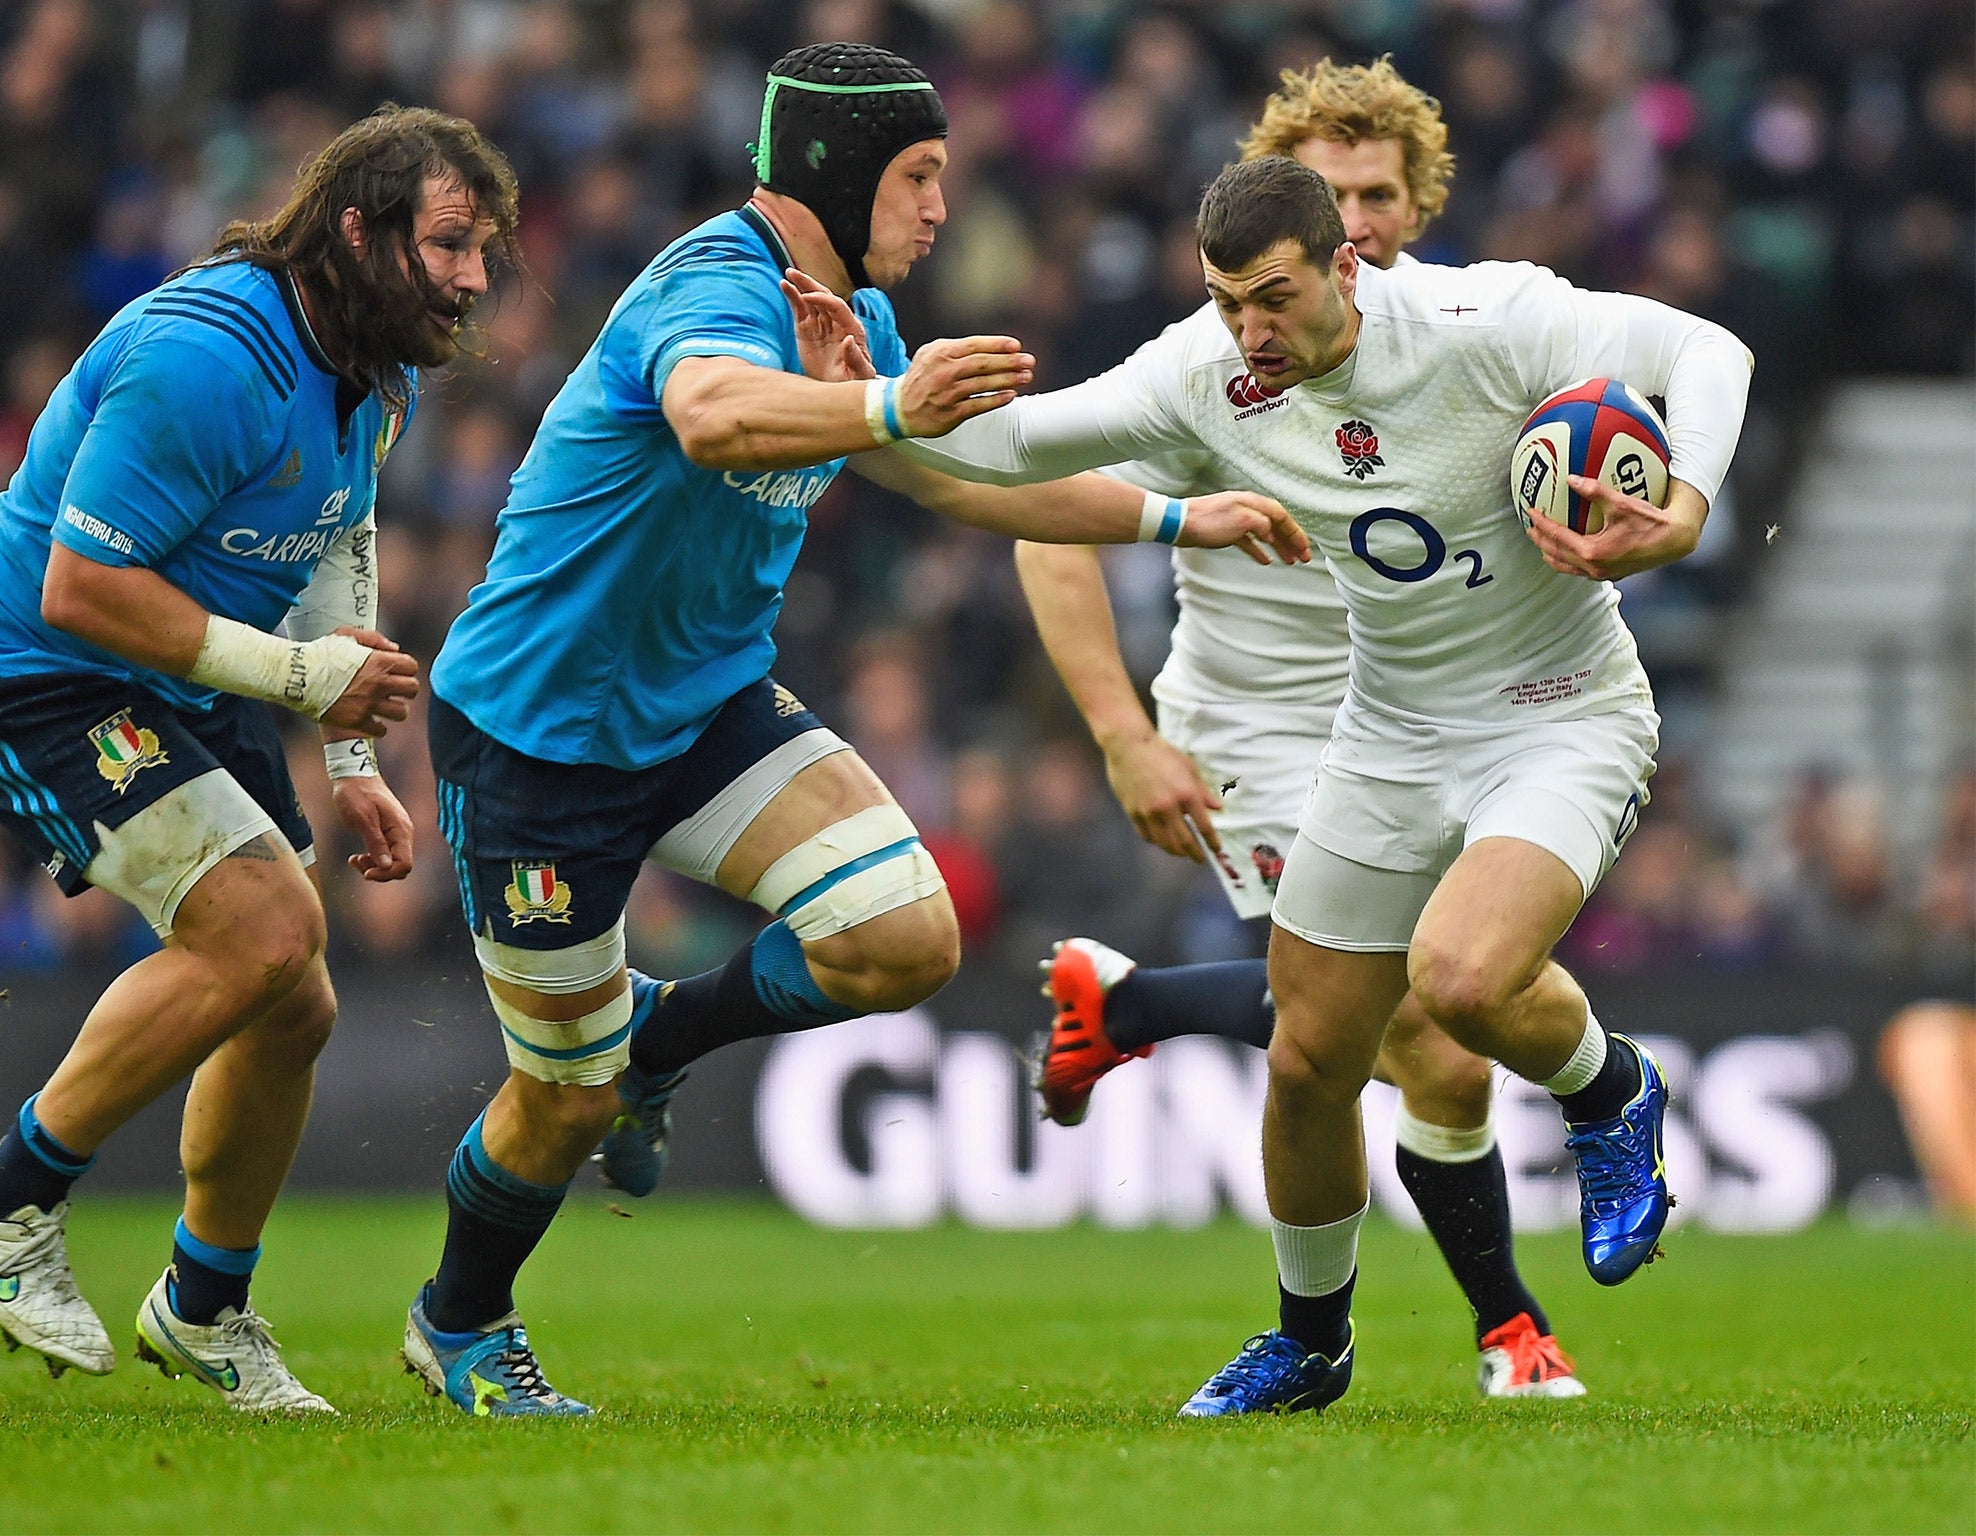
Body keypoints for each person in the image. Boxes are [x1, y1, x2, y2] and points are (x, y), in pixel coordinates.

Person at [400, 42, 1301, 1418]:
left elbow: (971, 484)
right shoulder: (712, 283)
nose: (942, 207)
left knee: (906, 936)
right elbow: (708, 417)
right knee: (560, 1099)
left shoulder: (859, 322)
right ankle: (458, 1321)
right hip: (539, 734)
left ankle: (659, 1042)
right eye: (921, 175)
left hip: (702, 707)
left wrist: (1183, 516)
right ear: (838, 170)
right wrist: (879, 401)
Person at [875, 153, 1754, 1414]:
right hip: (1385, 734)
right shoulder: (1206, 372)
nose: (1251, 330)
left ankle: (1610, 1093)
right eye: (1229, 299)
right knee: (1305, 1062)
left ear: (1348, 263)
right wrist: (858, 402)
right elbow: (1014, 454)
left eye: (1274, 297)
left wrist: (1680, 507)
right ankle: (1310, 1342)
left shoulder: (1482, 320)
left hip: (1557, 717)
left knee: (1457, 979)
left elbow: (1709, 352)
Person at [0, 105, 517, 1413]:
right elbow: (82, 589)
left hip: (189, 670)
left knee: (293, 996)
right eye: (451, 244)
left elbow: (334, 541)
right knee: (258, 935)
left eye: (484, 248)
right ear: (357, 234)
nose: (476, 277)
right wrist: (308, 681)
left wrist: (351, 755)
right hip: (36, 676)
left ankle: (203, 1303)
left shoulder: (375, 365)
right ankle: (5, 1197)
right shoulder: (207, 355)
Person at [1016, 58, 1585, 1399]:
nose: (1361, 218)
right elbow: (1051, 524)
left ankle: (1128, 1002)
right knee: (1415, 1034)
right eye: (1332, 194)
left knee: (1417, 1023)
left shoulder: (1459, 344)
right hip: (1258, 737)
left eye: (1378, 194)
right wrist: (1119, 732)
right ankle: (1505, 1327)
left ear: (1411, 201)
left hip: (1416, 729)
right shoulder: (1222, 367)